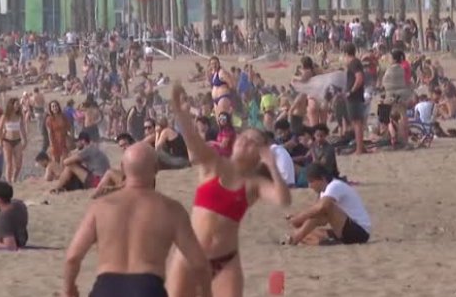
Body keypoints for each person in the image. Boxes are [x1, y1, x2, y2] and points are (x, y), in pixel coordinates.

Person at [166, 83, 291, 297]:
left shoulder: (254, 184)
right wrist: (180, 111)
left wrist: (271, 164)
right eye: (244, 137)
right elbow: (194, 142)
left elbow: (283, 200)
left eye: (253, 142)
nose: (245, 141)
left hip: (225, 260)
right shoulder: (214, 164)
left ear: (260, 154)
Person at [64, 141, 213, 297]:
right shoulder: (171, 209)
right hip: (148, 289)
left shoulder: (101, 207)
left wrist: (69, 290)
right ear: (156, 169)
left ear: (122, 168)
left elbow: (72, 258)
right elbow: (199, 264)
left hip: (106, 289)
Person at [284, 163, 371, 245]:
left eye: (311, 181)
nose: (310, 186)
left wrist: (299, 218)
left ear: (322, 179)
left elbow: (321, 208)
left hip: (359, 231)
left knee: (323, 208)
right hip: (345, 228)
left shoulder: (335, 186)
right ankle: (317, 241)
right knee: (310, 232)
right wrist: (299, 220)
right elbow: (322, 220)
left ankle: (296, 238)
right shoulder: (324, 192)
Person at [92, 133, 135, 198]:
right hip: (128, 184)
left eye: (125, 145)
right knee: (110, 173)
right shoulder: (127, 157)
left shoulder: (134, 157)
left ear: (131, 143)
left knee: (109, 173)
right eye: (121, 146)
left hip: (134, 188)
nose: (123, 148)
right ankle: (98, 194)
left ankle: (95, 195)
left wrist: (114, 188)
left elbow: (133, 180)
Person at [343, 43, 366, 155]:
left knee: (356, 122)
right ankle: (361, 146)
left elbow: (359, 78)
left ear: (346, 53)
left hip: (354, 97)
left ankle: (359, 149)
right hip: (357, 95)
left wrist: (351, 91)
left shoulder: (353, 63)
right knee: (359, 122)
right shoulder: (356, 63)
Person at [0, 98, 27, 184]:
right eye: (16, 104)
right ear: (11, 105)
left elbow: (22, 128)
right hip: (7, 140)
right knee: (9, 163)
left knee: (18, 163)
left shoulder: (19, 116)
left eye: (18, 105)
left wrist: (25, 140)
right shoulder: (5, 116)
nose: (18, 106)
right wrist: (0, 141)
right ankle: (9, 182)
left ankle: (14, 178)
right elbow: (0, 129)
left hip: (17, 140)